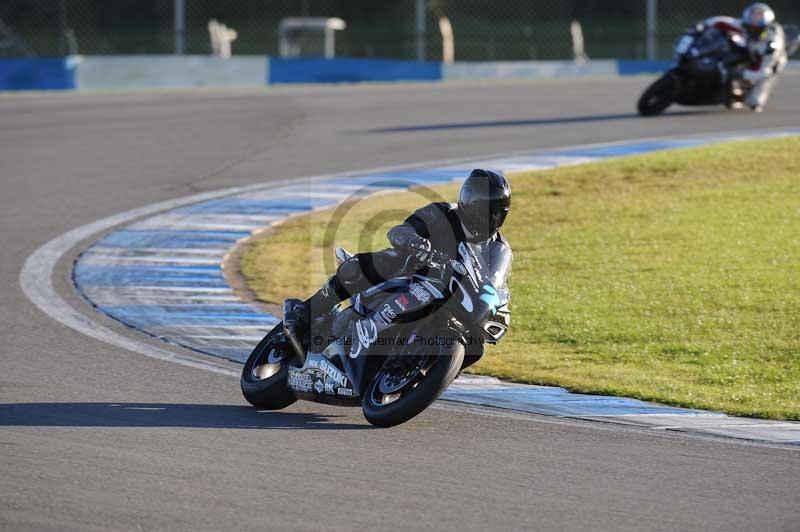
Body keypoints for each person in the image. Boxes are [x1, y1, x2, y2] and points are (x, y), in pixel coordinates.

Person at [284, 168, 512, 340]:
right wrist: (415, 243)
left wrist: (499, 303)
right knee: (365, 267)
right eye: (484, 209)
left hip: (452, 299)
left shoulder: (498, 248)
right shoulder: (442, 214)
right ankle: (306, 311)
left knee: (477, 341)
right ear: (470, 202)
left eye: (496, 212)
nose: (489, 217)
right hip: (408, 276)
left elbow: (496, 281)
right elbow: (399, 231)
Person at [699, 3, 787, 111]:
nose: (753, 29)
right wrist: (702, 25)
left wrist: (740, 73)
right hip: (747, 50)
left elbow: (763, 71)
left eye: (757, 28)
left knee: (754, 101)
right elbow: (720, 21)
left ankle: (757, 97)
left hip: (768, 61)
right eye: (750, 26)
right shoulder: (742, 24)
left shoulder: (771, 43)